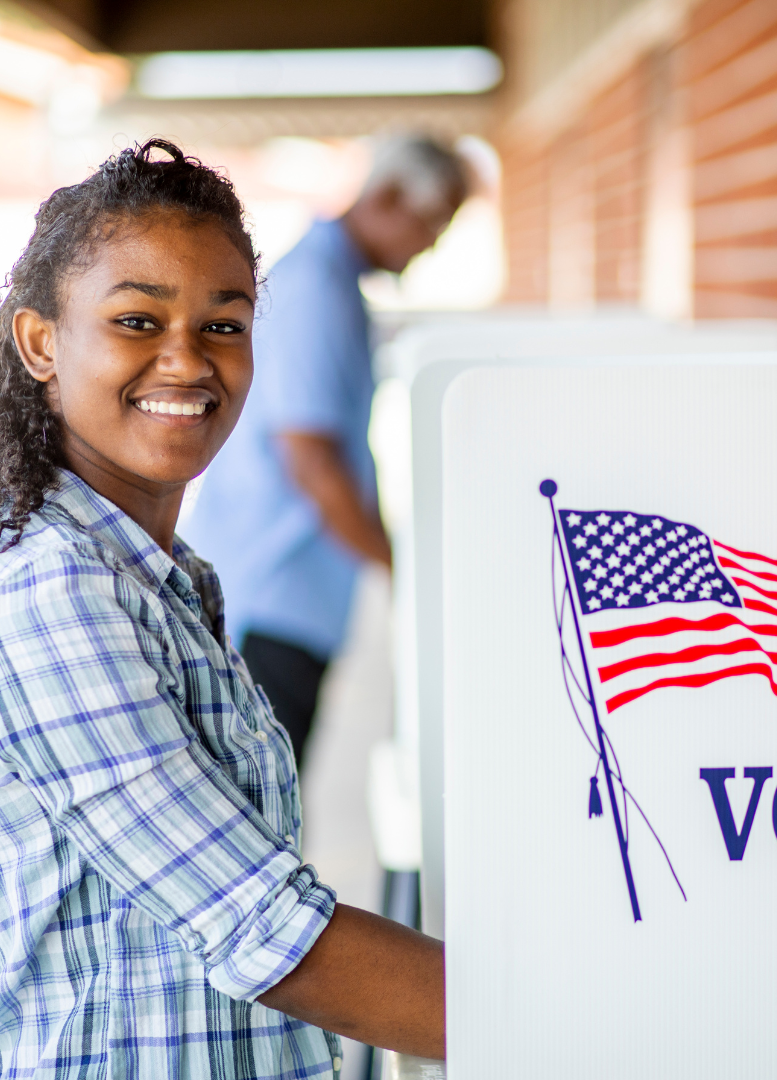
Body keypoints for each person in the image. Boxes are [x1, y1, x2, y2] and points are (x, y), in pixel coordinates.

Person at [0, 140, 443, 1078]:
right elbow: (269, 931)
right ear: (42, 344)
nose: (187, 360)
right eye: (138, 321)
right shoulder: (51, 589)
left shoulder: (158, 571)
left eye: (223, 325)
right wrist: (563, 1014)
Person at [182, 135, 468, 772]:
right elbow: (310, 458)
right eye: (435, 221)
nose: (435, 243)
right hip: (269, 599)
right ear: (389, 197)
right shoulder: (317, 285)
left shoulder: (334, 277)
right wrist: (402, 568)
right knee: (259, 813)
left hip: (289, 597)